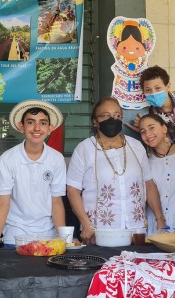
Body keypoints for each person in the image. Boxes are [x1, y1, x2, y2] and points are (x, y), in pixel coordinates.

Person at [66, 96, 165, 244]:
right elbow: (73, 190)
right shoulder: (84, 149)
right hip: (99, 233)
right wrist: (86, 225)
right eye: (105, 116)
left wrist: (159, 219)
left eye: (117, 115)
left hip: (136, 232)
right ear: (95, 121)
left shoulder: (136, 146)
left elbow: (149, 184)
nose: (112, 119)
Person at [0, 100, 66, 247]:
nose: (37, 128)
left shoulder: (57, 159)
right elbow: (3, 202)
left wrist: (63, 239)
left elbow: (56, 201)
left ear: (50, 128)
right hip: (14, 235)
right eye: (31, 122)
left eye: (43, 123)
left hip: (48, 235)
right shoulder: (8, 158)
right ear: (21, 127)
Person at [139, 113, 175, 235]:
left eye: (151, 128)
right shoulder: (146, 162)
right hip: (156, 224)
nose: (148, 134)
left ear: (164, 128)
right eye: (143, 131)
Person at [126, 65, 175, 144]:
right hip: (174, 153)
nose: (153, 93)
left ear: (167, 86)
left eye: (158, 88)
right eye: (148, 90)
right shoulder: (150, 114)